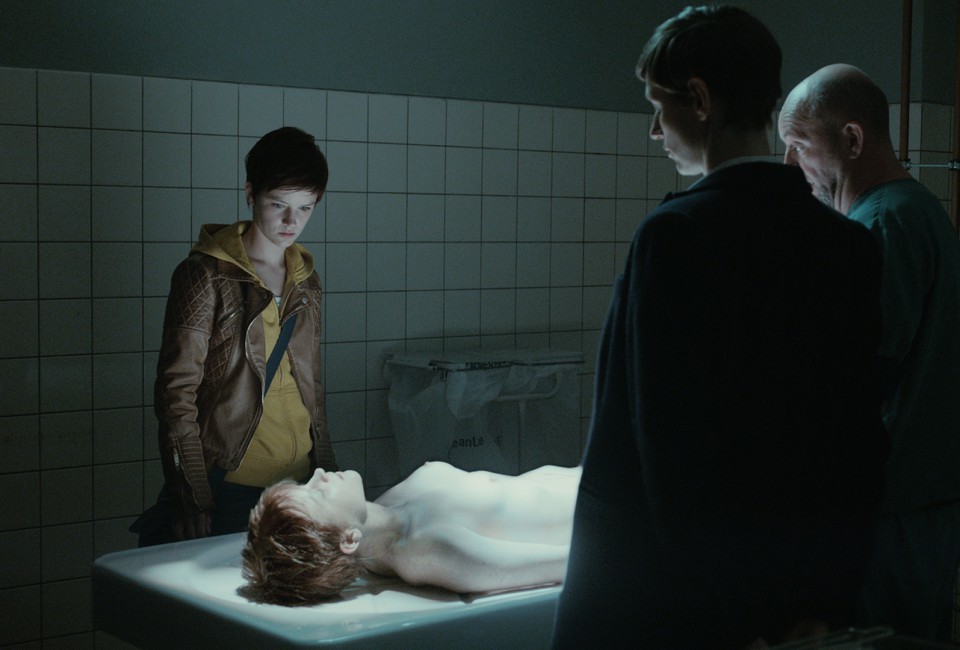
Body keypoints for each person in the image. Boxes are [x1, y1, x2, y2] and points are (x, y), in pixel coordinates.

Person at [552, 7, 889, 649]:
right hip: (798, 600)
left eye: (659, 107)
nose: (655, 129)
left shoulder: (676, 236)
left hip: (669, 608)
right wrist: (824, 601)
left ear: (701, 99)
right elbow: (858, 447)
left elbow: (669, 455)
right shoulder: (846, 246)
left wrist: (727, 621)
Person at [779, 64, 960, 642]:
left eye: (798, 144)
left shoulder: (880, 225)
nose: (790, 165)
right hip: (921, 501)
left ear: (852, 140)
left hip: (890, 506)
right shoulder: (917, 209)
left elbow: (858, 384)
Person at [134, 126, 338, 546]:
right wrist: (191, 492)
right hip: (229, 490)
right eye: (278, 204)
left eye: (305, 207)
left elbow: (311, 387)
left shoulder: (307, 280)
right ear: (250, 193)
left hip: (300, 485)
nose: (292, 222)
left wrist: (328, 473)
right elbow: (175, 394)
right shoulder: (205, 274)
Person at [241, 461, 581, 605]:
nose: (318, 473)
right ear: (348, 539)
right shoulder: (429, 551)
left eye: (306, 484)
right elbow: (570, 562)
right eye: (317, 494)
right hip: (605, 501)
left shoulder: (385, 511)